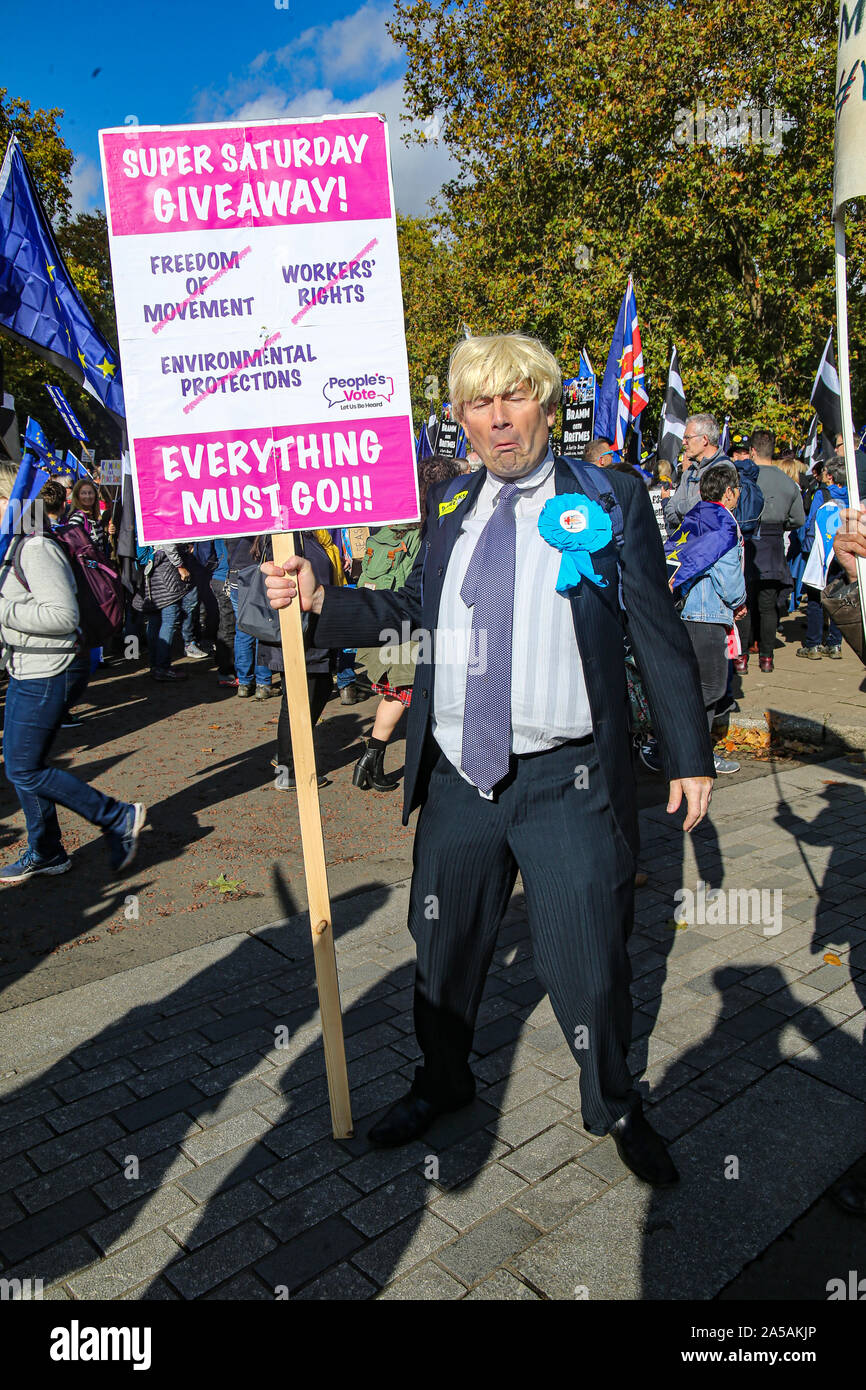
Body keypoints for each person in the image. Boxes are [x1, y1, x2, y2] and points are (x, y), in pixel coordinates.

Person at [263, 332, 713, 1186]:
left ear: (546, 402)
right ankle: (442, 1083)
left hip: (566, 777)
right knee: (443, 948)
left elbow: (656, 627)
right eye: (479, 403)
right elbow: (414, 610)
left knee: (591, 958)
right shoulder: (449, 506)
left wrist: (690, 754)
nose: (499, 420)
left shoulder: (609, 497)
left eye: (515, 398)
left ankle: (613, 1100)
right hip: (460, 778)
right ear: (461, 416)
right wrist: (325, 602)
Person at [0, 463, 144, 883]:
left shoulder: (34, 547)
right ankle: (46, 851)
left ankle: (116, 816)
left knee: (24, 768)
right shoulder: (12, 545)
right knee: (24, 763)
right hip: (27, 665)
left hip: (49, 667)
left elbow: (62, 616)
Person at [353, 454, 463, 792]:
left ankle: (371, 761)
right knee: (421, 695)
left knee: (400, 695)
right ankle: (424, 769)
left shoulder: (395, 522)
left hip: (388, 621)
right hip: (415, 627)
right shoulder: (433, 526)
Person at [667, 463, 746, 775]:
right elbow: (728, 577)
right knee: (710, 689)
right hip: (707, 615)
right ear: (728, 493)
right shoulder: (724, 526)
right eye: (737, 489)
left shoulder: (697, 517)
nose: (739, 495)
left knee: (690, 686)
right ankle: (696, 756)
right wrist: (739, 601)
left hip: (685, 612)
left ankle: (672, 747)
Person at [256, 531, 338, 790]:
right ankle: (287, 768)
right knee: (297, 703)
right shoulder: (290, 539)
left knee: (311, 694)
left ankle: (286, 755)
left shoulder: (302, 539)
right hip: (301, 636)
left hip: (304, 636)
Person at [734, 428, 804, 673]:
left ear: (752, 451)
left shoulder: (744, 477)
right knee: (767, 605)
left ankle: (741, 658)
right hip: (773, 546)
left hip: (749, 545)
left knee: (744, 604)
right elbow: (798, 519)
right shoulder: (788, 482)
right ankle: (766, 658)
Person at [796, 456, 848, 660]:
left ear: (830, 476)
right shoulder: (850, 495)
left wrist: (806, 548)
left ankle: (813, 643)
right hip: (842, 553)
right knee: (837, 599)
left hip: (820, 553)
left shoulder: (822, 494)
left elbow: (811, 523)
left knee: (816, 599)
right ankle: (835, 644)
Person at [663, 412, 732, 533]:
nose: (683, 442)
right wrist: (687, 510)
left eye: (687, 438)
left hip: (713, 546)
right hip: (690, 545)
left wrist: (680, 509)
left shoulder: (723, 469)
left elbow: (705, 511)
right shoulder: (689, 471)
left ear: (704, 439)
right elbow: (670, 512)